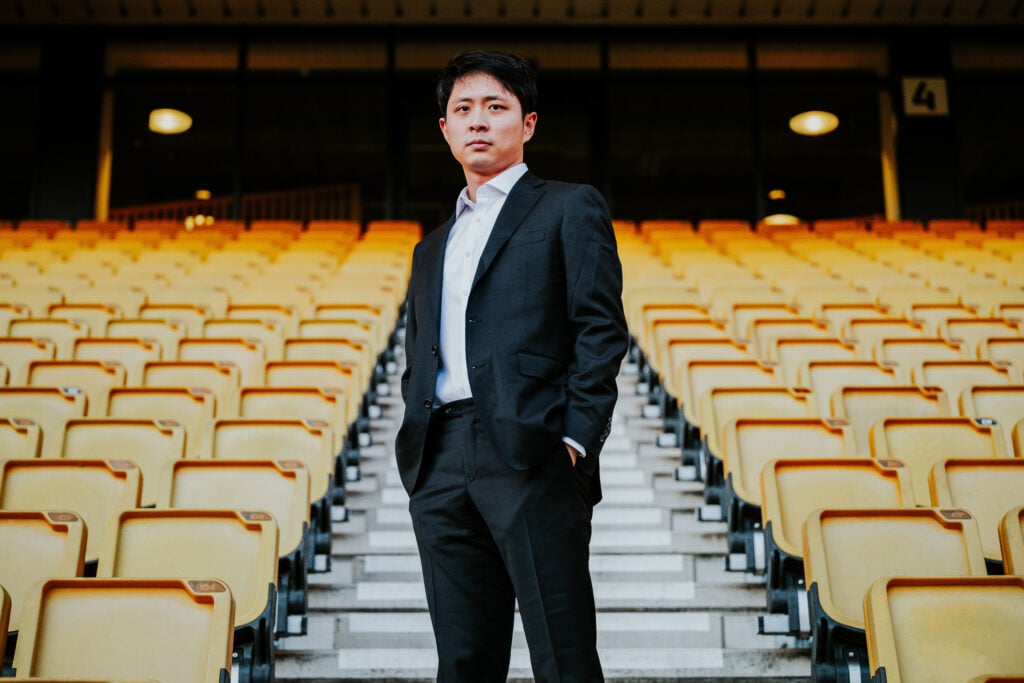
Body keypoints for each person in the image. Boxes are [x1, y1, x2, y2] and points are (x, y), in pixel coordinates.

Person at [395, 49, 628, 683]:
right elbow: (424, 350)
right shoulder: (430, 246)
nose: (478, 121)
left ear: (527, 124)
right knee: (464, 661)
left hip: (534, 453)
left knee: (563, 654)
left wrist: (577, 438)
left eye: (496, 107)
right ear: (444, 129)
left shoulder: (567, 206)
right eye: (462, 109)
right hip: (440, 459)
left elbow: (600, 329)